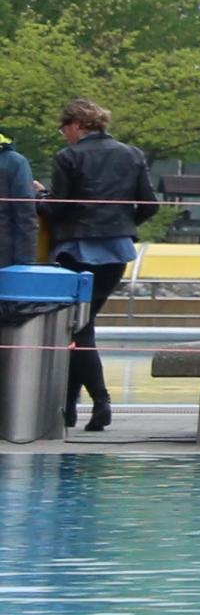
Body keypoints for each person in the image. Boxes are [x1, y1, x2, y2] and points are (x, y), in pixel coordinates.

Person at [42, 100, 158, 435]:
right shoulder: (132, 154)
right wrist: (122, 224)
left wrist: (38, 198)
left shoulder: (69, 156)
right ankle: (70, 408)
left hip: (76, 251)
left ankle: (99, 400)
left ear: (77, 124)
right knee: (81, 326)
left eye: (64, 128)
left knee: (76, 329)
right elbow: (150, 204)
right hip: (116, 251)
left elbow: (57, 209)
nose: (64, 134)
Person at [0, 117, 32, 270]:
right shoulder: (14, 162)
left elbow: (25, 215)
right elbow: (25, 215)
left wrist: (24, 265)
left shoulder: (13, 162)